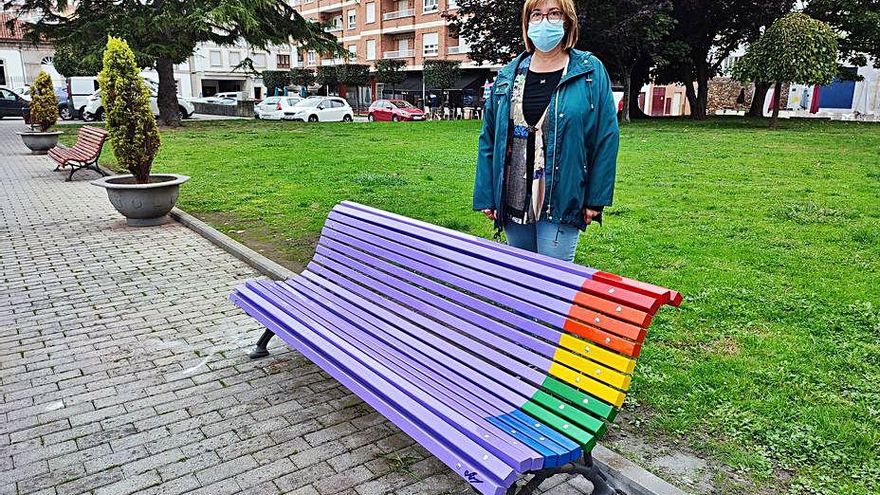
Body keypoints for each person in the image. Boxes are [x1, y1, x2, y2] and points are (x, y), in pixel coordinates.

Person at [472, 0, 619, 262]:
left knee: (554, 282)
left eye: (554, 13)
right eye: (536, 14)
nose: (544, 21)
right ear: (527, 22)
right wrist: (487, 195)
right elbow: (489, 137)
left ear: (568, 20)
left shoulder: (589, 71)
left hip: (562, 197)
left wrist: (595, 199)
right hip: (513, 198)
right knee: (522, 279)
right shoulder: (509, 74)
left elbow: (605, 137)